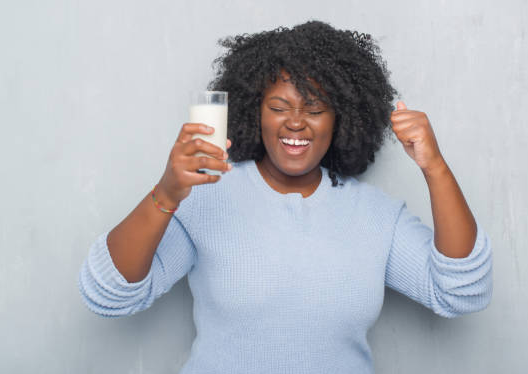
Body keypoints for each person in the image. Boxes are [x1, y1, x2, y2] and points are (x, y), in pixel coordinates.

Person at [78, 20, 493, 373]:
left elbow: (459, 292)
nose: (296, 123)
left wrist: (434, 167)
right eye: (278, 106)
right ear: (254, 112)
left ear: (341, 119)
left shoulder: (376, 216)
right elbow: (109, 294)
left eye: (314, 110)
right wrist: (166, 193)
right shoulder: (207, 197)